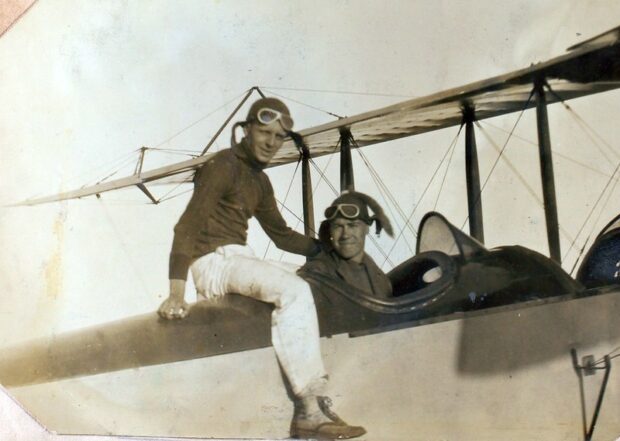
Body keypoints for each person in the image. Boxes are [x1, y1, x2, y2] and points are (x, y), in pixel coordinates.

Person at [157, 97, 366, 440]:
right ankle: (309, 409)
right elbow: (187, 227)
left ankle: (314, 394)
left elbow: (282, 236)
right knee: (293, 290)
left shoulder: (260, 181)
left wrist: (329, 251)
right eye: (264, 132)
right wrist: (176, 293)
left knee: (311, 281)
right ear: (246, 130)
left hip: (240, 257)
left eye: (279, 137)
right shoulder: (222, 166)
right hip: (213, 263)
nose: (271, 142)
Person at [299, 190, 394, 300]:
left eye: (352, 225)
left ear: (366, 228)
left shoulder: (382, 281)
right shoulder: (317, 274)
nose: (345, 234)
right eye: (338, 226)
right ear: (330, 230)